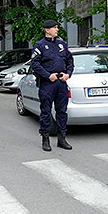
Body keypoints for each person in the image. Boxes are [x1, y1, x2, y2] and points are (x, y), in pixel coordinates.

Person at [30, 19, 74, 151]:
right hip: (48, 83)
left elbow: (70, 60)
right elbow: (35, 65)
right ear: (47, 30)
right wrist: (48, 75)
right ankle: (45, 139)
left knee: (62, 111)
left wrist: (68, 74)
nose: (57, 30)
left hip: (61, 82)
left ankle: (62, 138)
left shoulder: (61, 44)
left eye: (57, 27)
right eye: (54, 28)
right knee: (46, 112)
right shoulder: (40, 45)